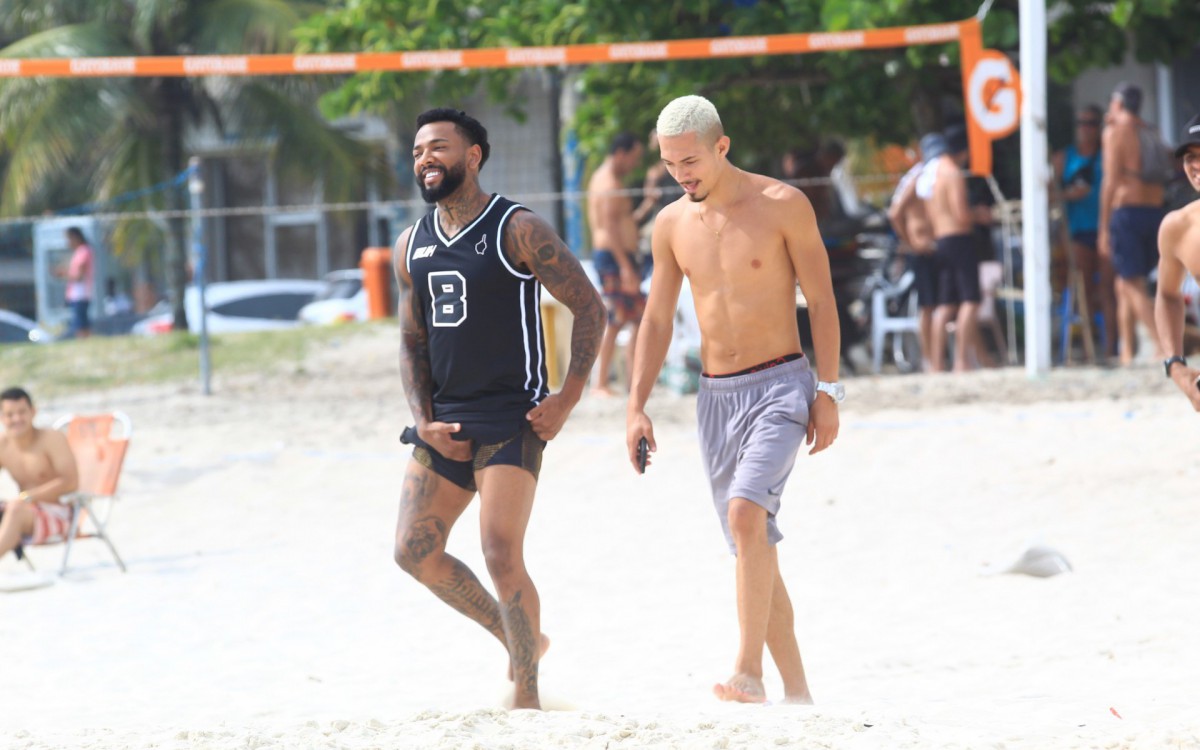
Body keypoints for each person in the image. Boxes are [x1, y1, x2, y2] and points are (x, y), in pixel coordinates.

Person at [626, 95, 842, 705]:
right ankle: (800, 700)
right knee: (753, 542)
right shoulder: (671, 224)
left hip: (781, 383)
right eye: (670, 165)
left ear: (722, 146)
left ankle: (748, 671)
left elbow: (821, 303)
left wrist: (828, 390)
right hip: (716, 398)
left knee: (747, 515)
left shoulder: (782, 205)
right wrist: (636, 405)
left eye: (690, 161)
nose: (681, 175)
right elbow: (657, 320)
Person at [392, 108, 605, 710]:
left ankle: (528, 703)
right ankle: (523, 641)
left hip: (514, 416)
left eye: (438, 147)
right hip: (446, 418)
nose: (425, 159)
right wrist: (424, 418)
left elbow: (590, 308)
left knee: (499, 552)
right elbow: (412, 342)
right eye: (416, 151)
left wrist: (567, 398)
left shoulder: (517, 228)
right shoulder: (411, 244)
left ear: (473, 155)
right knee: (413, 551)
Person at [1099, 83, 1166, 365]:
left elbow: (1111, 180)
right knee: (1123, 284)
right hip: (1155, 210)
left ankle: (1162, 344)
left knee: (1130, 282)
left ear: (1117, 104)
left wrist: (1103, 226)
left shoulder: (1116, 131)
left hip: (1127, 211)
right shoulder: (1149, 129)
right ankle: (1127, 351)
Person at [1053, 105, 1117, 357]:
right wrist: (1070, 194)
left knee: (1109, 290)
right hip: (1078, 231)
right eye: (1081, 122)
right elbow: (1048, 195)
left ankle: (1112, 347)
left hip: (1106, 228)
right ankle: (1092, 347)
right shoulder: (1063, 157)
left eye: (1091, 123)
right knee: (1084, 289)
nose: (1085, 128)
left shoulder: (1108, 155)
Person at [588, 131, 646, 396]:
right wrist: (625, 267)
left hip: (618, 257)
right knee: (615, 319)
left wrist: (647, 206)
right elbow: (610, 229)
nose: (635, 164)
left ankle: (634, 379)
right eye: (634, 157)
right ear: (621, 154)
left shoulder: (605, 179)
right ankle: (600, 382)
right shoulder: (609, 183)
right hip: (614, 259)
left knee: (638, 317)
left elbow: (623, 221)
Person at [924, 124, 985, 372]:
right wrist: (979, 215)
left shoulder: (934, 174)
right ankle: (961, 360)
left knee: (945, 304)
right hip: (959, 239)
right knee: (970, 300)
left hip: (941, 239)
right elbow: (961, 215)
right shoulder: (953, 174)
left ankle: (937, 363)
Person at [0, 387, 79, 562]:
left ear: (33, 412)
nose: (17, 419)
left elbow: (71, 482)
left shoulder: (52, 439)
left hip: (60, 514)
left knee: (14, 509)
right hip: (22, 511)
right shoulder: (3, 445)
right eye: (10, 414)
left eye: (22, 412)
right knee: (12, 508)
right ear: (1, 417)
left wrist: (27, 497)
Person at [887, 133, 945, 370]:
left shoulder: (928, 175)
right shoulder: (918, 176)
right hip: (920, 250)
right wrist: (909, 241)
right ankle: (929, 360)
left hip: (931, 248)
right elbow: (895, 213)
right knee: (928, 307)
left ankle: (934, 358)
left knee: (935, 306)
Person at [1154, 113, 1200, 411]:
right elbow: (1168, 295)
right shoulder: (1179, 227)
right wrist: (1175, 365)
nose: (1195, 166)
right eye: (1189, 157)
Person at [60, 227, 95, 339]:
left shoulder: (83, 251)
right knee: (81, 322)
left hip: (80, 293)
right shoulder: (80, 251)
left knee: (81, 324)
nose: (67, 242)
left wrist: (63, 273)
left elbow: (79, 276)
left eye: (68, 238)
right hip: (77, 294)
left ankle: (83, 342)